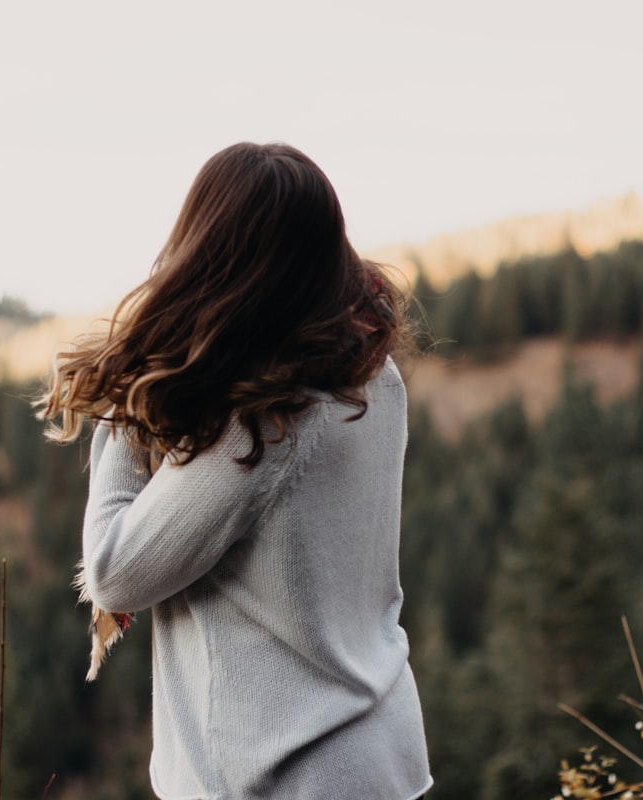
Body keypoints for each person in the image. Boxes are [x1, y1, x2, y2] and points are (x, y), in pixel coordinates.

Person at [37, 142, 432, 800]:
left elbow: (113, 571)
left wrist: (122, 406)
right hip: (380, 758)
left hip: (279, 777)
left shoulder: (261, 430)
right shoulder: (372, 374)